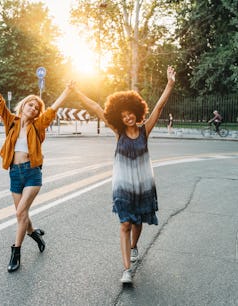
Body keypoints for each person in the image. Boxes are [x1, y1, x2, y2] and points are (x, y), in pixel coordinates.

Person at [73, 66, 176, 283]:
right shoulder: (118, 132)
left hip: (143, 184)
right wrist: (77, 92)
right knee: (125, 224)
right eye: (124, 115)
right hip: (122, 185)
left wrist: (170, 83)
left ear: (136, 113)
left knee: (137, 223)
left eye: (130, 114)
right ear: (119, 118)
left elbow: (159, 106)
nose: (128, 117)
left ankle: (134, 246)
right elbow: (95, 107)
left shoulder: (144, 130)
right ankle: (127, 270)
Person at [0, 65, 72, 272]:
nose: (33, 109)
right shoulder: (11, 122)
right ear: (23, 106)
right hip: (15, 173)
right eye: (30, 105)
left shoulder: (38, 126)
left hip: (32, 173)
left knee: (20, 212)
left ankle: (16, 252)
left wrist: (67, 91)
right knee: (23, 216)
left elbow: (52, 110)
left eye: (36, 108)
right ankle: (35, 234)